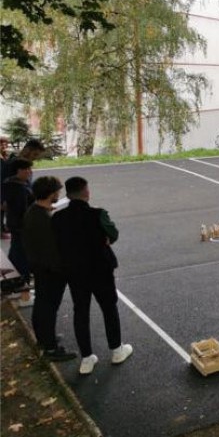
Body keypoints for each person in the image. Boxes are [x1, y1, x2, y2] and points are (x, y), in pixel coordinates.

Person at [52, 177, 132, 375]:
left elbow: (57, 242)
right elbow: (113, 234)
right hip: (100, 269)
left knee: (81, 312)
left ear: (68, 194)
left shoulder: (57, 218)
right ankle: (116, 349)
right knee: (109, 307)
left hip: (75, 271)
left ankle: (87, 358)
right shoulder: (98, 214)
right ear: (86, 192)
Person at [23, 176, 77, 361]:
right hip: (50, 270)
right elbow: (52, 249)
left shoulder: (35, 211)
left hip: (39, 266)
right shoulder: (43, 220)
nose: (58, 194)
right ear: (51, 193)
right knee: (48, 307)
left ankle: (44, 338)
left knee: (42, 304)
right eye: (57, 191)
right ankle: (51, 348)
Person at [1, 158, 35, 306]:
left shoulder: (9, 184)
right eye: (25, 169)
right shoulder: (19, 188)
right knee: (22, 259)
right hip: (22, 227)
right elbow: (24, 210)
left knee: (15, 257)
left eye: (30, 168)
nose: (29, 172)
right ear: (17, 171)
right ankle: (23, 295)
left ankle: (11, 288)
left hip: (15, 225)